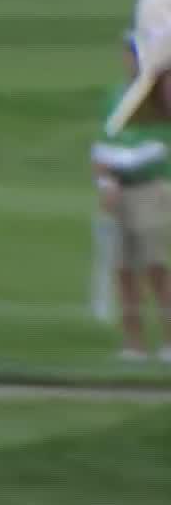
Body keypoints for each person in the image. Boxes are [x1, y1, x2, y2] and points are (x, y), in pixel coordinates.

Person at [93, 31, 171, 360]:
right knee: (124, 270)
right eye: (129, 54)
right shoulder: (114, 97)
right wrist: (105, 182)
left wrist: (117, 161)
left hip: (150, 190)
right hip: (119, 193)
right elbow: (102, 144)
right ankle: (133, 344)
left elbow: (154, 150)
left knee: (156, 268)